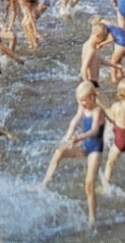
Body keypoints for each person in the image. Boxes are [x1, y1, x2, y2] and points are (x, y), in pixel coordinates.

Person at [41, 81, 105, 226]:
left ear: (92, 98)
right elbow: (75, 120)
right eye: (79, 101)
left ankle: (92, 218)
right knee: (60, 152)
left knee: (89, 184)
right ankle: (44, 184)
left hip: (95, 149)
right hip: (84, 145)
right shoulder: (82, 107)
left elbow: (94, 131)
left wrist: (78, 138)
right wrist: (68, 136)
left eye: (83, 100)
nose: (81, 103)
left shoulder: (97, 111)